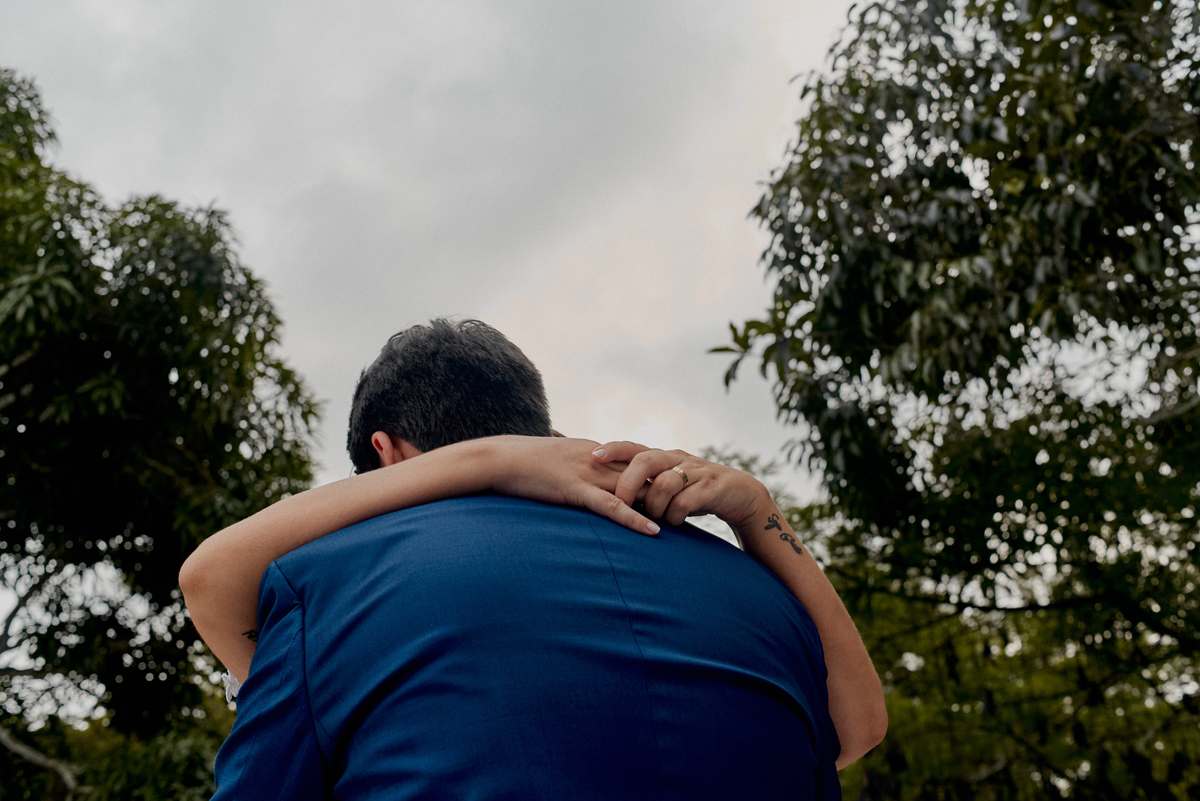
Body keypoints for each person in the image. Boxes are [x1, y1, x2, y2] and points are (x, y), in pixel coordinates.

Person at [179, 320, 885, 800]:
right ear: (544, 426)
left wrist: (487, 462)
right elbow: (858, 730)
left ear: (384, 453)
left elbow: (209, 577)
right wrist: (758, 513)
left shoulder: (332, 585)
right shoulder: (760, 592)